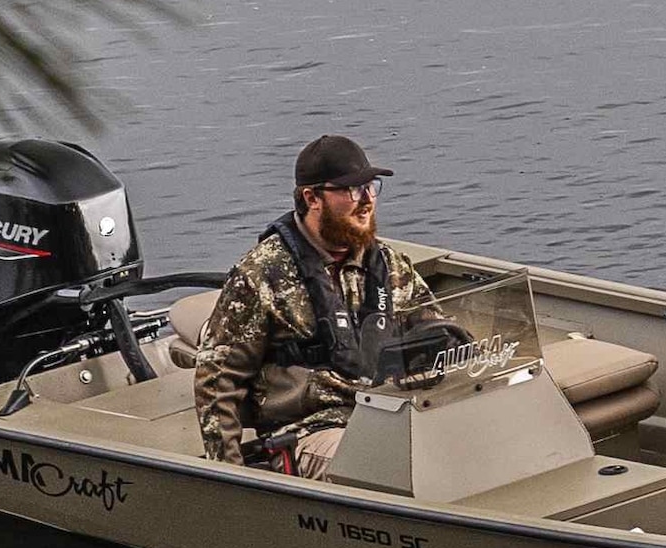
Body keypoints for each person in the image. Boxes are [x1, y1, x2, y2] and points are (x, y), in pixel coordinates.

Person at [196, 134, 469, 468]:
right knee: (382, 467)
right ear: (312, 198)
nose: (367, 200)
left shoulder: (391, 266)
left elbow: (439, 334)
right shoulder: (260, 275)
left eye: (371, 187)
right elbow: (217, 380)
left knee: (469, 445)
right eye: (352, 190)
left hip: (392, 413)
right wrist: (232, 478)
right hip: (314, 429)